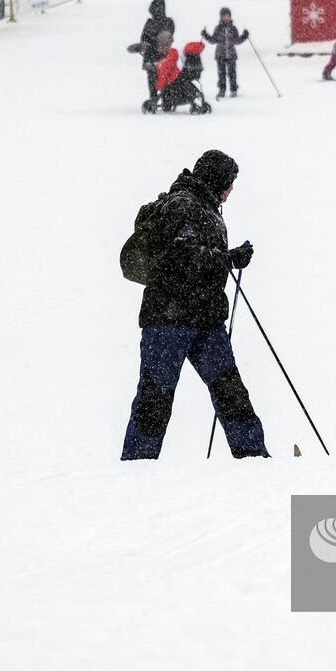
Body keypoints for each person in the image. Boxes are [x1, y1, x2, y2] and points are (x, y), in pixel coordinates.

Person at [121, 150, 271, 461]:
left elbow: (193, 255)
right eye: (229, 184)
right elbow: (183, 257)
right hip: (168, 320)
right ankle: (136, 469)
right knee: (155, 398)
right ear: (216, 181)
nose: (231, 191)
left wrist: (226, 256)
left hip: (204, 318)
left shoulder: (202, 205)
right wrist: (228, 259)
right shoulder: (182, 205)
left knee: (231, 392)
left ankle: (255, 462)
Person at [127, 0, 176, 101]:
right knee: (156, 77)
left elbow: (166, 37)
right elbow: (144, 38)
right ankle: (158, 97)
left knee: (158, 77)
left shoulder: (167, 22)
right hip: (154, 55)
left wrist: (151, 40)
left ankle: (161, 97)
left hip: (160, 55)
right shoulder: (161, 22)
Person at [201, 7, 250, 99]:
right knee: (221, 74)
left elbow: (237, 41)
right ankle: (222, 90)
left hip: (231, 55)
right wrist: (206, 35)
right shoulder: (218, 28)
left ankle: (233, 89)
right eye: (224, 16)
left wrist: (244, 36)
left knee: (232, 74)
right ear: (221, 17)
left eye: (228, 16)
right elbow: (213, 40)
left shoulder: (233, 28)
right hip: (220, 55)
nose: (226, 18)